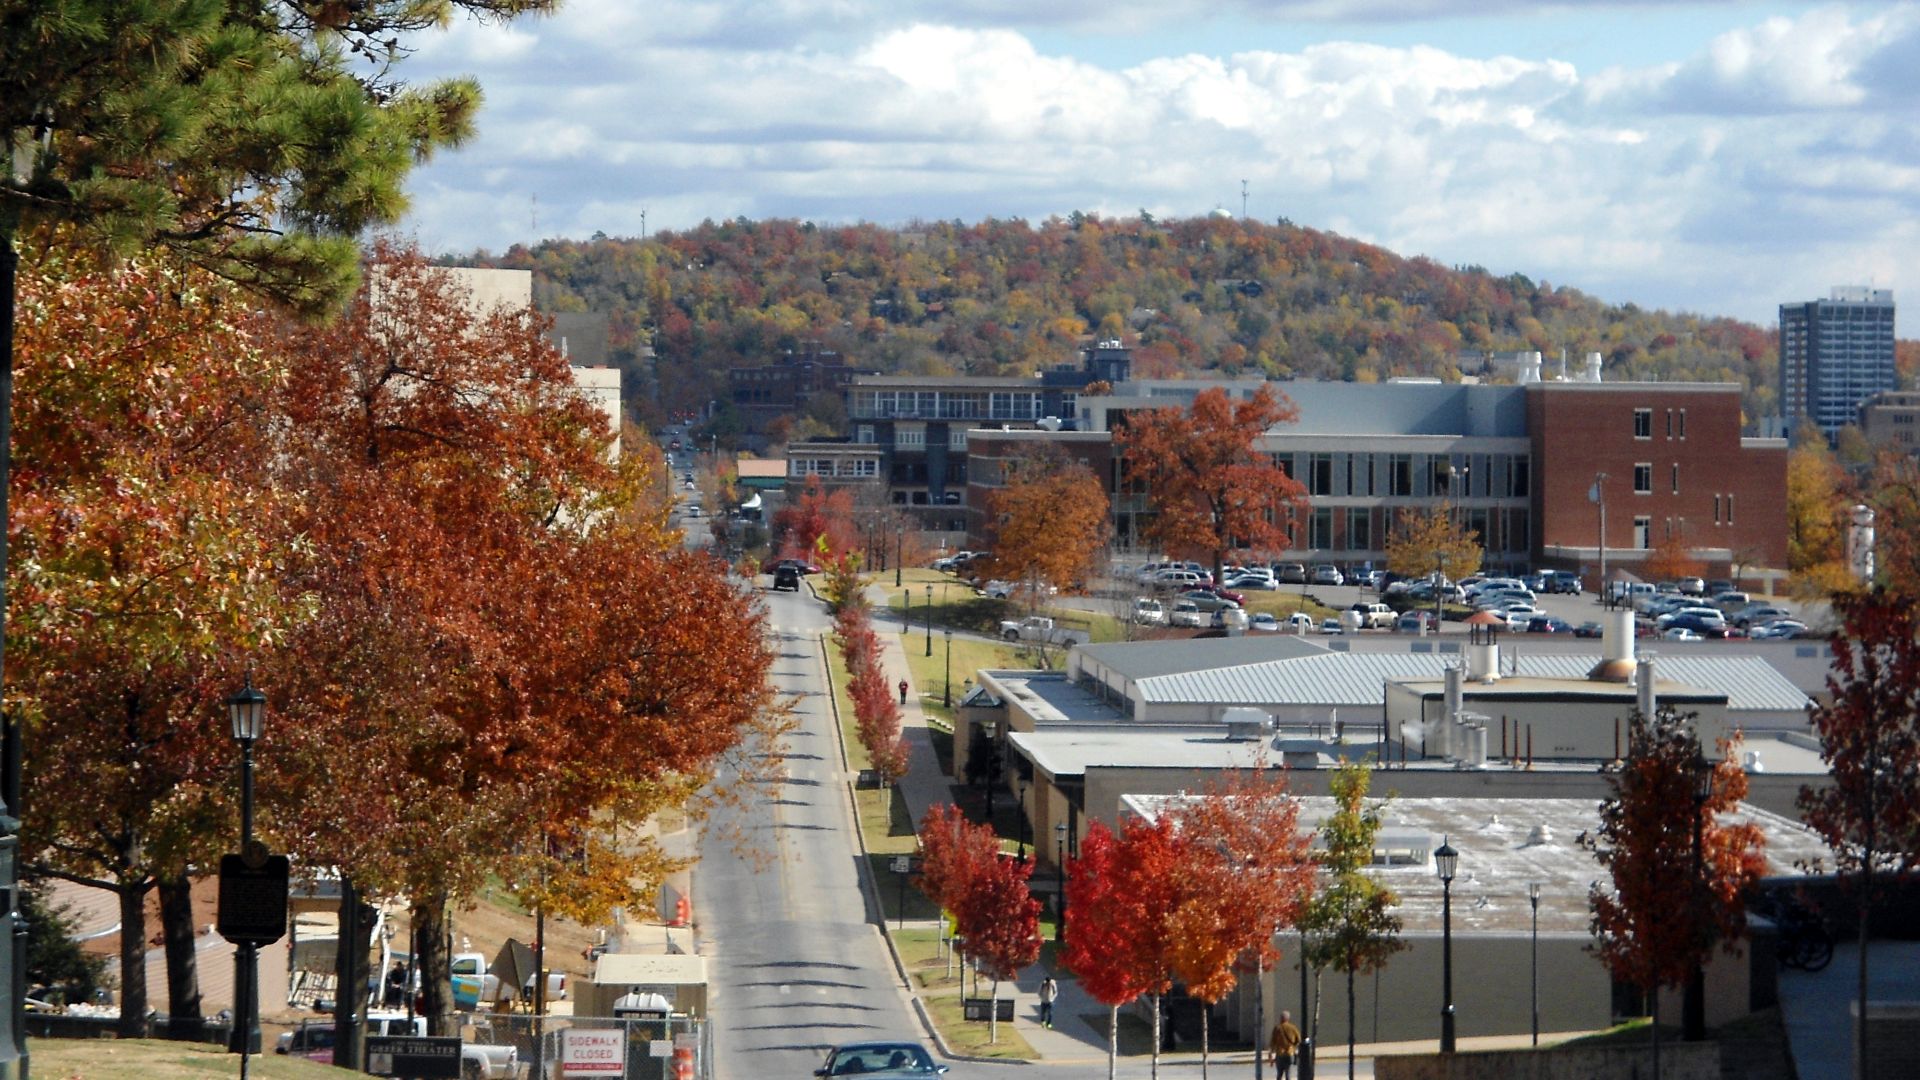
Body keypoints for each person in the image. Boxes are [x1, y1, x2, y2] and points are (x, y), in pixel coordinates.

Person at [1270, 1010, 1303, 1080]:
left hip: (1280, 1053)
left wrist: (1271, 1055)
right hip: (1289, 1052)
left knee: (1279, 1074)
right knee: (1288, 1073)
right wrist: (1294, 1047)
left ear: (1281, 1018)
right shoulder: (1293, 1028)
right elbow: (1299, 1040)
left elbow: (1273, 1042)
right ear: (1288, 1018)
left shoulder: (1277, 1028)